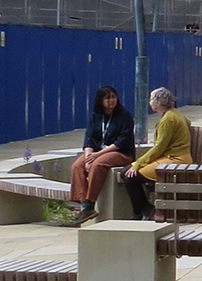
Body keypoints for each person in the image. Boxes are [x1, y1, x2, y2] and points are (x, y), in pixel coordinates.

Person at [119, 87, 192, 221]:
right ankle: (143, 210)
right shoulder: (175, 114)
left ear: (157, 102)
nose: (149, 101)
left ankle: (141, 211)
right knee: (126, 172)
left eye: (151, 99)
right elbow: (187, 123)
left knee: (129, 176)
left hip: (175, 160)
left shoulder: (167, 120)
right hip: (177, 157)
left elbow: (159, 148)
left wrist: (137, 163)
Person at [68, 86, 135, 223]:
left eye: (113, 97)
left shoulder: (125, 116)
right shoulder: (95, 116)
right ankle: (84, 205)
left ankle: (90, 202)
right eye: (107, 98)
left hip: (120, 152)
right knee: (77, 166)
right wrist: (88, 158)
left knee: (98, 164)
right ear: (100, 100)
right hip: (97, 151)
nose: (111, 100)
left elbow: (122, 141)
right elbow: (89, 139)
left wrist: (97, 155)